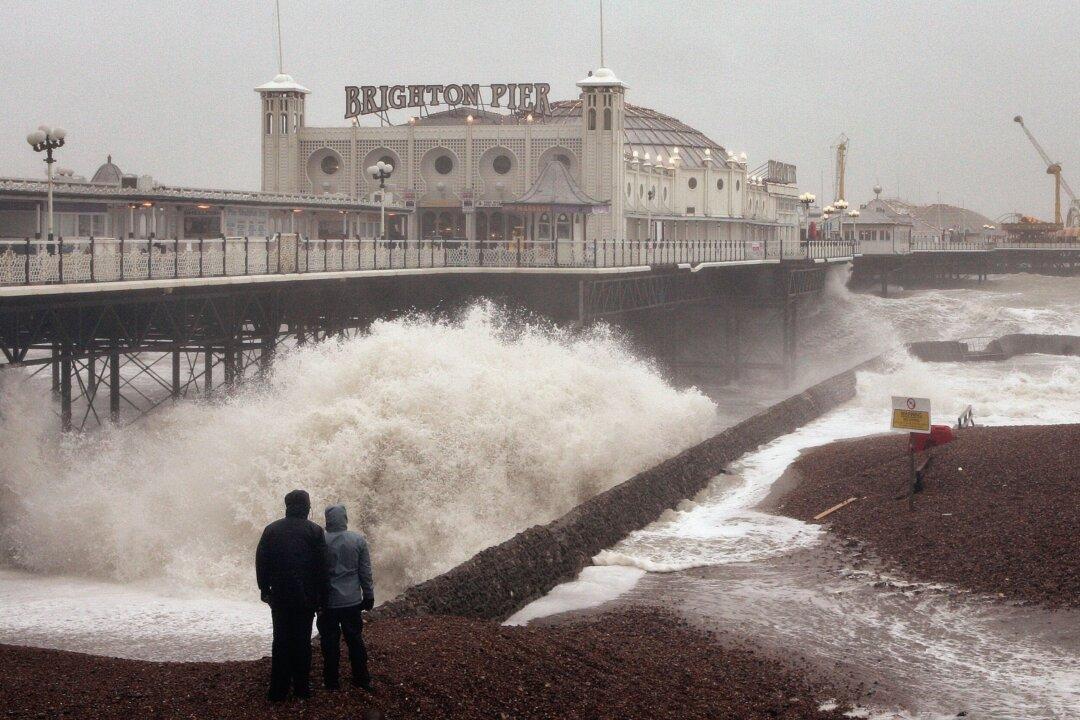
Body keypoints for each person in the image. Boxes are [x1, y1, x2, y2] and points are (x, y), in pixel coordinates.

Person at [255, 489, 328, 702]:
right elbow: (322, 567)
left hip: (279, 595)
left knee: (281, 640)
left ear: (287, 507)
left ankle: (278, 690)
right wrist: (323, 596)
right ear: (307, 507)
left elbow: (261, 562)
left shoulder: (271, 530)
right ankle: (301, 689)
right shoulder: (315, 531)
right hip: (306, 596)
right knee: (302, 641)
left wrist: (264, 589)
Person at [319, 504, 375, 692]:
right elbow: (365, 572)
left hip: (328, 602)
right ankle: (362, 678)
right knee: (355, 640)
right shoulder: (358, 540)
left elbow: (315, 572)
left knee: (329, 642)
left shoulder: (320, 541)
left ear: (328, 519)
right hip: (352, 601)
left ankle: (331, 681)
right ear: (345, 519)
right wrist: (368, 595)